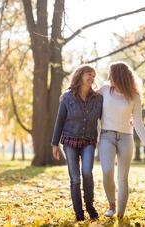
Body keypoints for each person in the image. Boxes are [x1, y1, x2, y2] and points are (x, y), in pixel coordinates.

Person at [98, 61, 145, 219]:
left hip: (126, 138)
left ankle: (120, 214)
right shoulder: (104, 90)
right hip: (106, 136)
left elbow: (138, 122)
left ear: (119, 76)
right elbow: (85, 98)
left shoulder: (134, 96)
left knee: (123, 178)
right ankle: (111, 206)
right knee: (107, 171)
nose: (109, 78)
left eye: (111, 74)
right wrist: (67, 94)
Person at [51, 64, 103, 222]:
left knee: (87, 172)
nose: (92, 78)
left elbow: (107, 116)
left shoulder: (98, 98)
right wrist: (55, 144)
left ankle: (89, 205)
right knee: (75, 178)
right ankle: (79, 212)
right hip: (69, 141)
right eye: (89, 74)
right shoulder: (67, 97)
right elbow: (59, 121)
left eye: (94, 76)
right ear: (80, 75)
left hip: (89, 141)